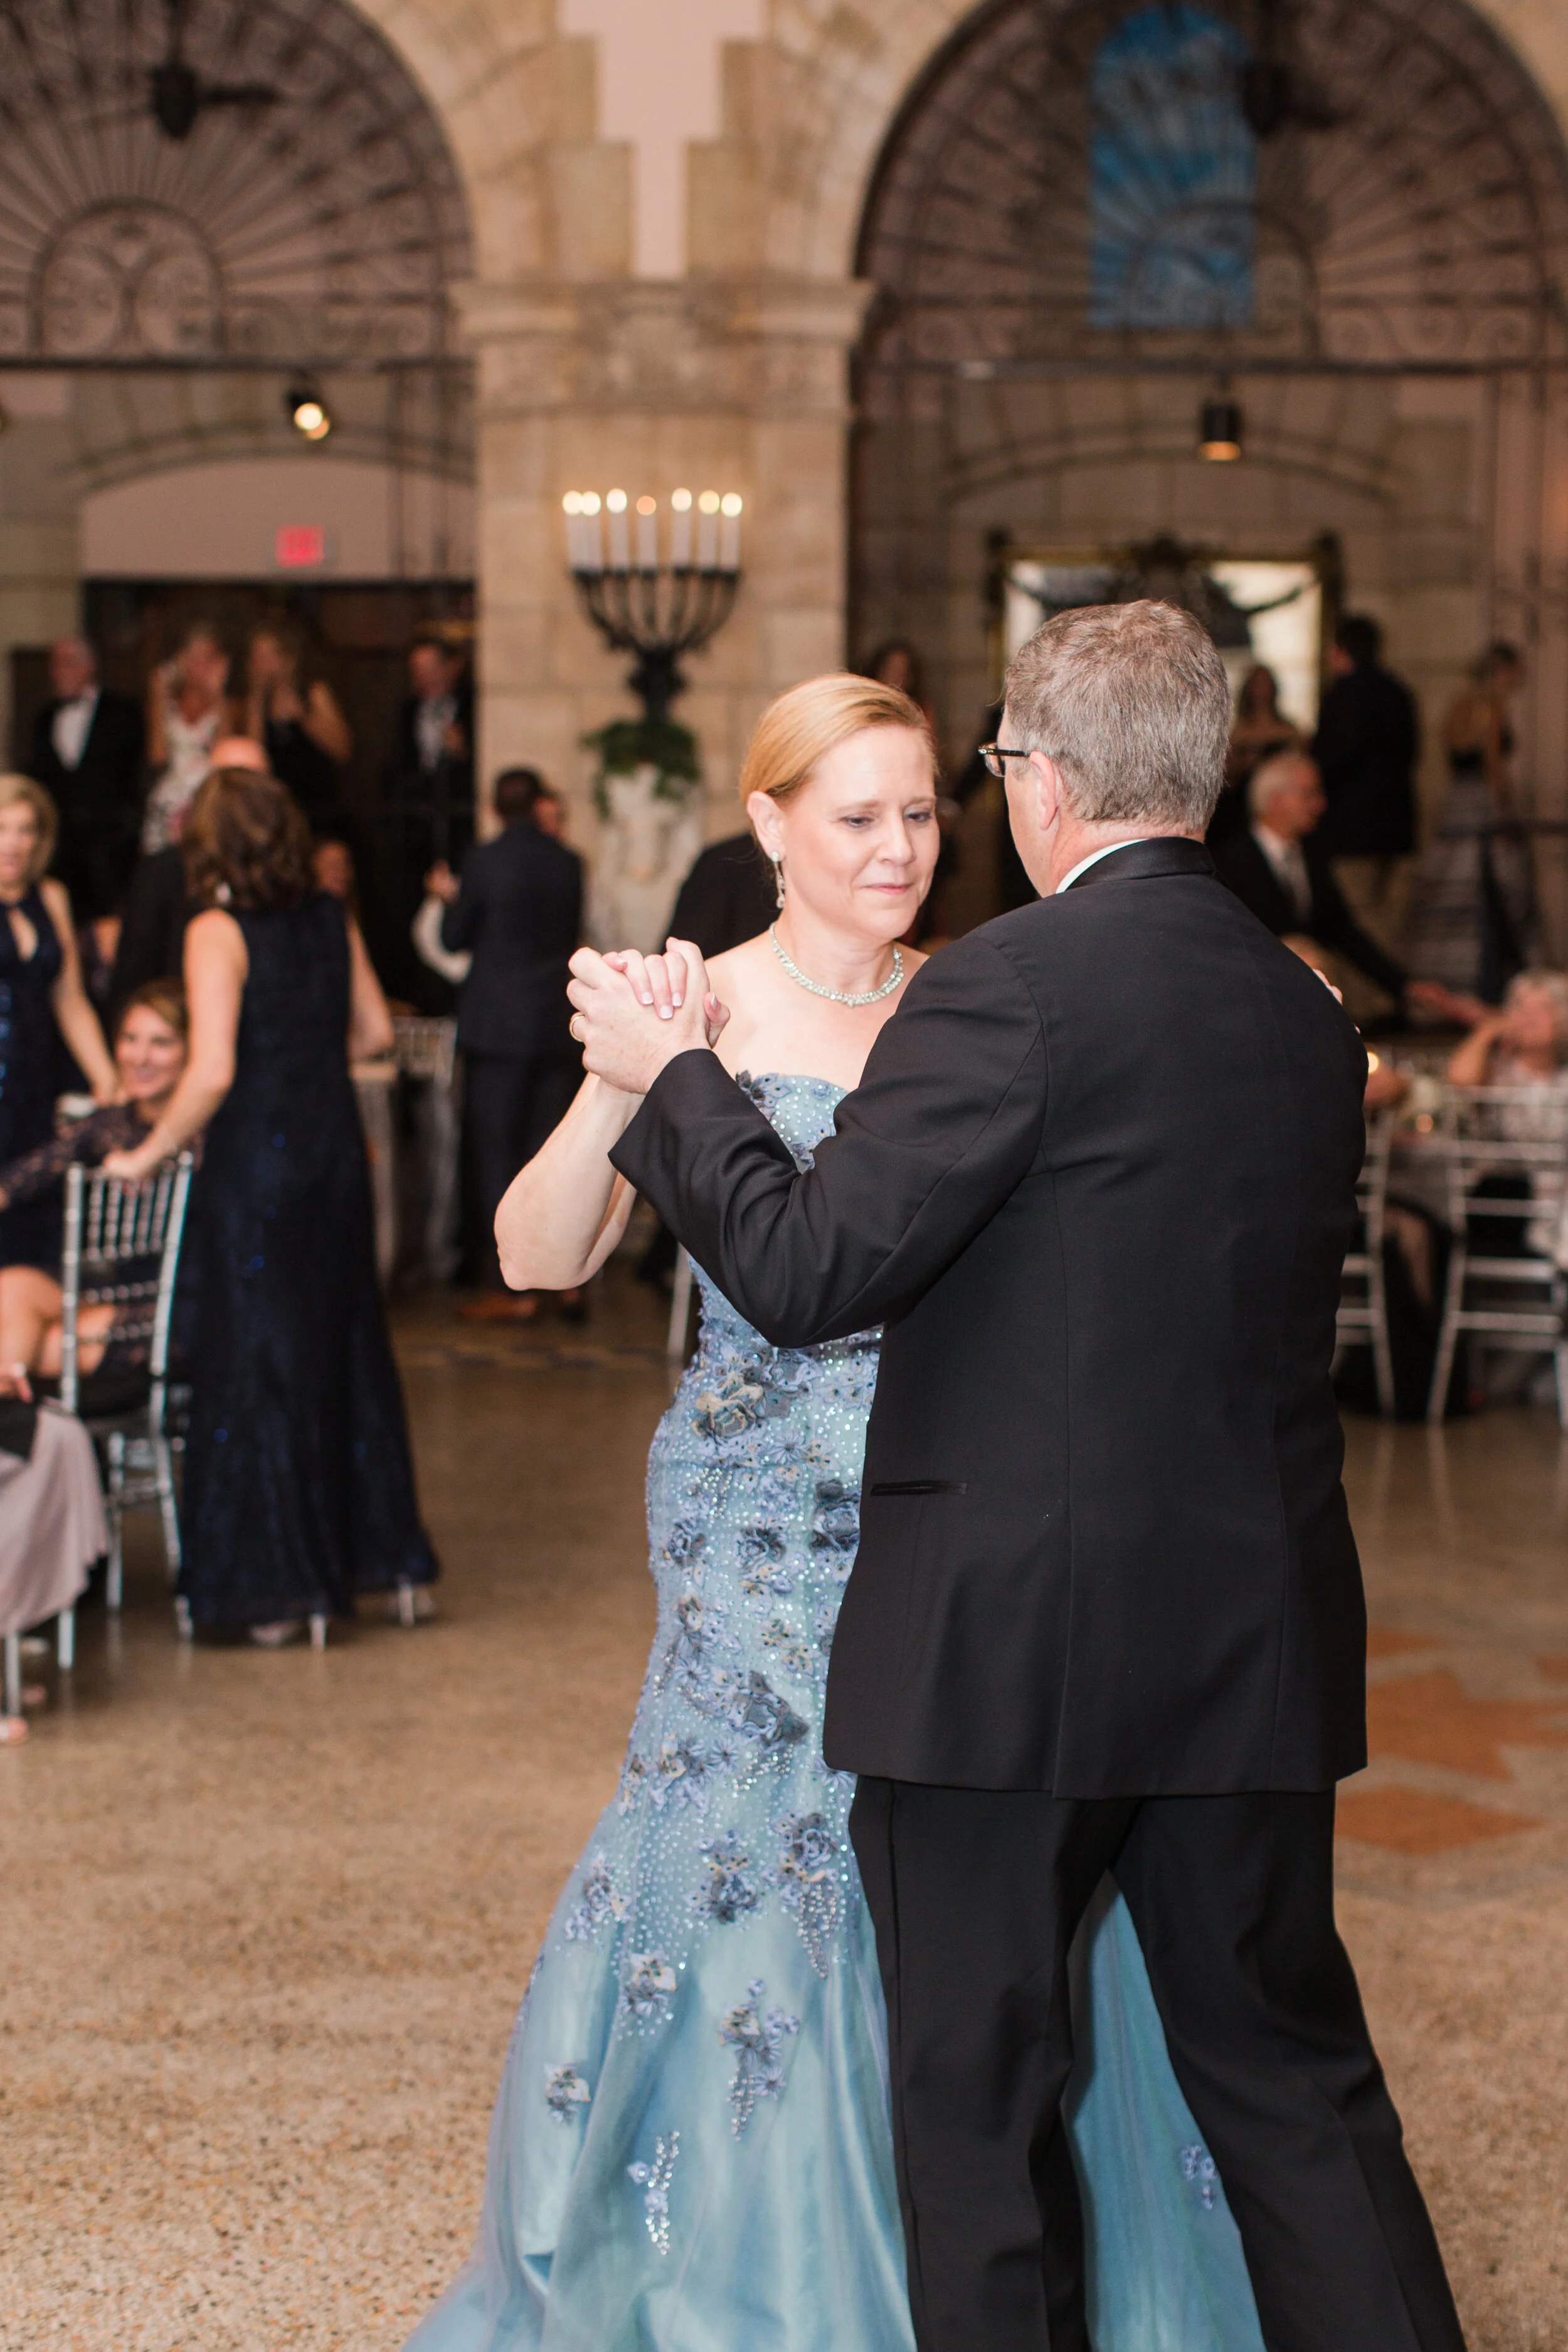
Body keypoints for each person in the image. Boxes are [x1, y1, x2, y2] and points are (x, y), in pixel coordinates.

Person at [573, 603, 1468, 2352]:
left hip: (1007, 1657)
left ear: (1037, 780)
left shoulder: (1008, 980)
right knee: (1291, 2083)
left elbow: (814, 1270)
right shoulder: (1302, 1004)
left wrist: (680, 1079)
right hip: (1253, 1634)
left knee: (979, 2109)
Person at [406, 670, 1271, 2352]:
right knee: (751, 1876)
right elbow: (533, 1256)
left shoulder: (992, 993)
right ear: (769, 824)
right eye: (857, 815)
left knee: (986, 1899)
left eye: (923, 813)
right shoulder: (702, 1005)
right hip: (748, 1541)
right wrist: (627, 1077)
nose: (898, 850)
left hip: (969, 1531)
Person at [102, 765, 437, 1647]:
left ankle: (278, 1588)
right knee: (342, 1347)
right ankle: (374, 1557)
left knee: (258, 1361)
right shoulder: (329, 912)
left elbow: (209, 1070)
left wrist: (144, 1151)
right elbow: (371, 1031)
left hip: (257, 1162)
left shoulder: (216, 926)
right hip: (331, 1156)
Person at [425, 766, 584, 1320]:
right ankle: (564, 1281)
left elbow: (453, 938)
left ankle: (509, 1287)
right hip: (554, 1024)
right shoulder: (568, 862)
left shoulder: (483, 861)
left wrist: (448, 899)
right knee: (552, 1155)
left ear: (494, 808)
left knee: (496, 1157)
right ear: (539, 804)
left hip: (497, 1030)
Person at [0, 983, 189, 1404]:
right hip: (104, 1297)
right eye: (130, 1039)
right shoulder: (107, 1125)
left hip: (177, 1308)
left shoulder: (210, 1135)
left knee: (30, 1344)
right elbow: (20, 1179)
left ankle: (14, 1450)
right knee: (11, 1289)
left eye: (160, 1043)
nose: (140, 1057)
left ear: (192, 1051)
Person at [1214, 749, 1470, 1025]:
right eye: (1309, 794)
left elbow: (1343, 932)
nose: (1321, 804)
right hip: (1259, 1011)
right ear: (1278, 800)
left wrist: (1405, 986)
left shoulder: (1313, 856)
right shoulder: (1229, 863)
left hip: (1307, 1007)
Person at [0, 777, 119, 1273]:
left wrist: (107, 1078)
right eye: (3, 828)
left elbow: (69, 999)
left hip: (36, 1085)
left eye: (27, 830)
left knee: (36, 1228)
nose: (14, 843)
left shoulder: (50, 897)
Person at [1406, 640, 1532, 1003]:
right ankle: (1481, 981)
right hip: (1481, 804)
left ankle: (1445, 981)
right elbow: (1494, 766)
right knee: (1491, 891)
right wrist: (1505, 811)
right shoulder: (1491, 708)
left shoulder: (1458, 706)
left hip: (1457, 801)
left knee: (1452, 888)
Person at [110, 736, 268, 1019]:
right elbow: (134, 979)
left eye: (251, 783)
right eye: (226, 782)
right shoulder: (162, 872)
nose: (239, 797)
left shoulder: (289, 874)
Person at [1312, 616, 1420, 953]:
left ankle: (1369, 1005)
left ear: (1343, 650)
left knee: (1358, 919)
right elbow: (1414, 753)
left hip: (1353, 827)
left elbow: (1333, 758)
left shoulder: (1345, 694)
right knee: (1392, 921)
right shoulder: (1399, 692)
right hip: (1398, 823)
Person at [384, 633, 475, 1007]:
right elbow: (395, 770)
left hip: (457, 830)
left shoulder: (473, 708)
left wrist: (463, 753)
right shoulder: (405, 712)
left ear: (452, 668)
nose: (425, 679)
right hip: (416, 834)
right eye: (417, 671)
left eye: (431, 669)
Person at [26, 637, 145, 922]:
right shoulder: (44, 717)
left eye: (66, 662)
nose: (57, 672)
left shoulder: (124, 712)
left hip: (111, 847)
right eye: (54, 664)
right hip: (60, 848)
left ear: (89, 666)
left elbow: (138, 774)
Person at [142, 622, 242, 854]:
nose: (201, 666)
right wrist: (158, 697)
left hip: (211, 799)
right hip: (171, 800)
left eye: (208, 659)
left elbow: (224, 756)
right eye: (194, 658)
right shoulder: (167, 706)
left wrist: (218, 693)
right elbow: (158, 757)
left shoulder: (230, 707)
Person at [243, 620, 352, 835]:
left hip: (319, 806)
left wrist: (303, 716)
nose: (261, 665)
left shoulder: (313, 694)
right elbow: (253, 757)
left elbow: (343, 750)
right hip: (277, 809)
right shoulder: (255, 705)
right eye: (256, 658)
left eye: (268, 657)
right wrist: (256, 699)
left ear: (288, 660)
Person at [1209, 662, 1300, 845]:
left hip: (1279, 801)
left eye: (1266, 683)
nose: (1262, 690)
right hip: (1244, 803)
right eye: (1257, 684)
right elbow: (1227, 774)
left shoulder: (1288, 729)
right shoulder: (1238, 731)